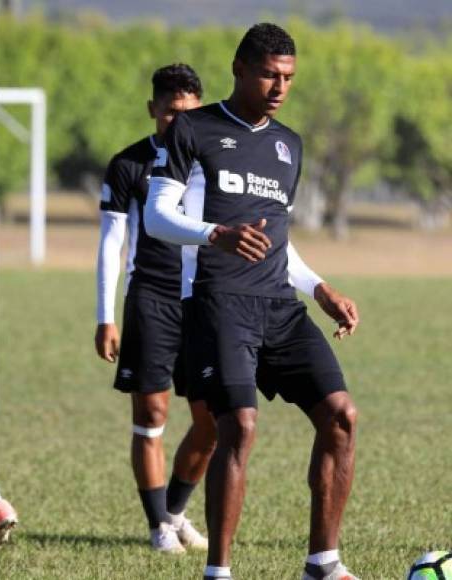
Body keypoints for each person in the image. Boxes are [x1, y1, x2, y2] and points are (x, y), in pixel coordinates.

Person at [144, 23, 360, 580]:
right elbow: (158, 215)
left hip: (278, 306)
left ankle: (323, 563)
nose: (279, 86)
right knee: (238, 425)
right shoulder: (192, 129)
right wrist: (214, 234)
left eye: (288, 76)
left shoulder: (290, 145)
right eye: (268, 73)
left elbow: (278, 241)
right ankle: (219, 572)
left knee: (341, 417)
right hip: (217, 301)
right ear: (239, 68)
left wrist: (319, 288)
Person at [94, 64, 216, 554]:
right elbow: (111, 244)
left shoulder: (212, 165)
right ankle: (158, 526)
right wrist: (106, 315)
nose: (177, 121)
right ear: (153, 110)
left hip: (203, 298)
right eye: (169, 112)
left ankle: (177, 511)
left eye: (186, 113)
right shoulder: (128, 165)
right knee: (152, 412)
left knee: (212, 421)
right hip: (150, 298)